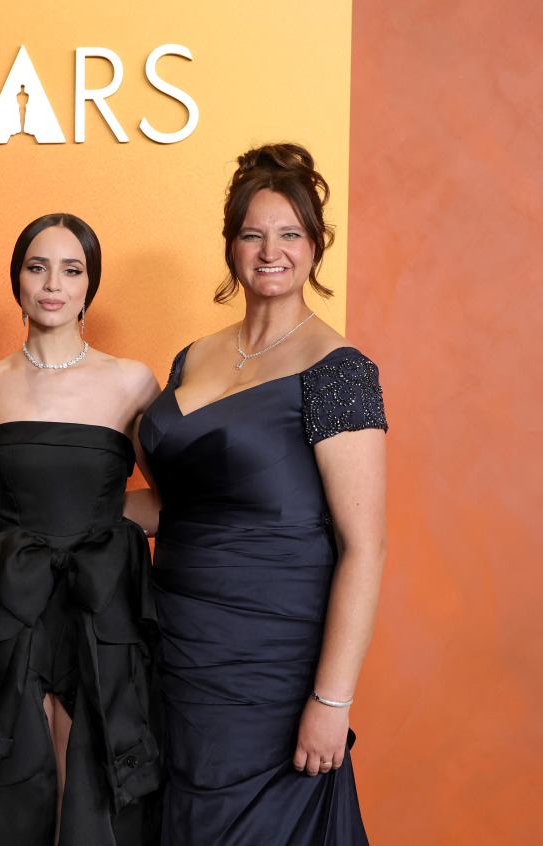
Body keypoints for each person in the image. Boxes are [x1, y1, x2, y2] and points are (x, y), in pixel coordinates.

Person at [137, 143, 387, 844]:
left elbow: (365, 547)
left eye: (289, 234)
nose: (269, 250)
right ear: (230, 246)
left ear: (315, 246)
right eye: (252, 233)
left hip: (270, 667)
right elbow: (183, 508)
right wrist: (43, 504)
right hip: (176, 646)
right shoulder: (194, 355)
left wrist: (330, 701)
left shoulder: (338, 371)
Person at [0, 213, 165, 845]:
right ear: (17, 282)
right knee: (7, 788)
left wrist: (92, 522)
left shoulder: (132, 381)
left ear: (90, 285)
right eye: (37, 267)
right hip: (7, 602)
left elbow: (167, 504)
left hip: (100, 602)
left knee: (92, 782)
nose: (53, 283)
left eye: (71, 269)